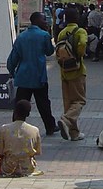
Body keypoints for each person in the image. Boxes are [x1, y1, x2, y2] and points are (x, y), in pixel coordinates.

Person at [6, 11, 58, 136]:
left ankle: (15, 127)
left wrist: (11, 71)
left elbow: (13, 57)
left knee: (20, 104)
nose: (46, 22)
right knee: (43, 103)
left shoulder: (21, 36)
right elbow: (50, 51)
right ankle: (50, 127)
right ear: (37, 21)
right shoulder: (44, 35)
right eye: (44, 19)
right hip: (39, 77)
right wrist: (49, 35)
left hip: (23, 77)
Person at [0, 99, 42, 176]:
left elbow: (0, 153)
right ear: (28, 114)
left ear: (15, 112)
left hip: (8, 168)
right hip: (27, 168)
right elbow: (37, 152)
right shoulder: (35, 130)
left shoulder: (4, 128)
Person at [56, 9, 88, 142]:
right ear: (77, 17)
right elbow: (82, 45)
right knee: (80, 100)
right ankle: (66, 119)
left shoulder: (61, 33)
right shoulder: (80, 31)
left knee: (68, 103)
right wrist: (80, 54)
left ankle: (74, 133)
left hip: (64, 72)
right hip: (77, 71)